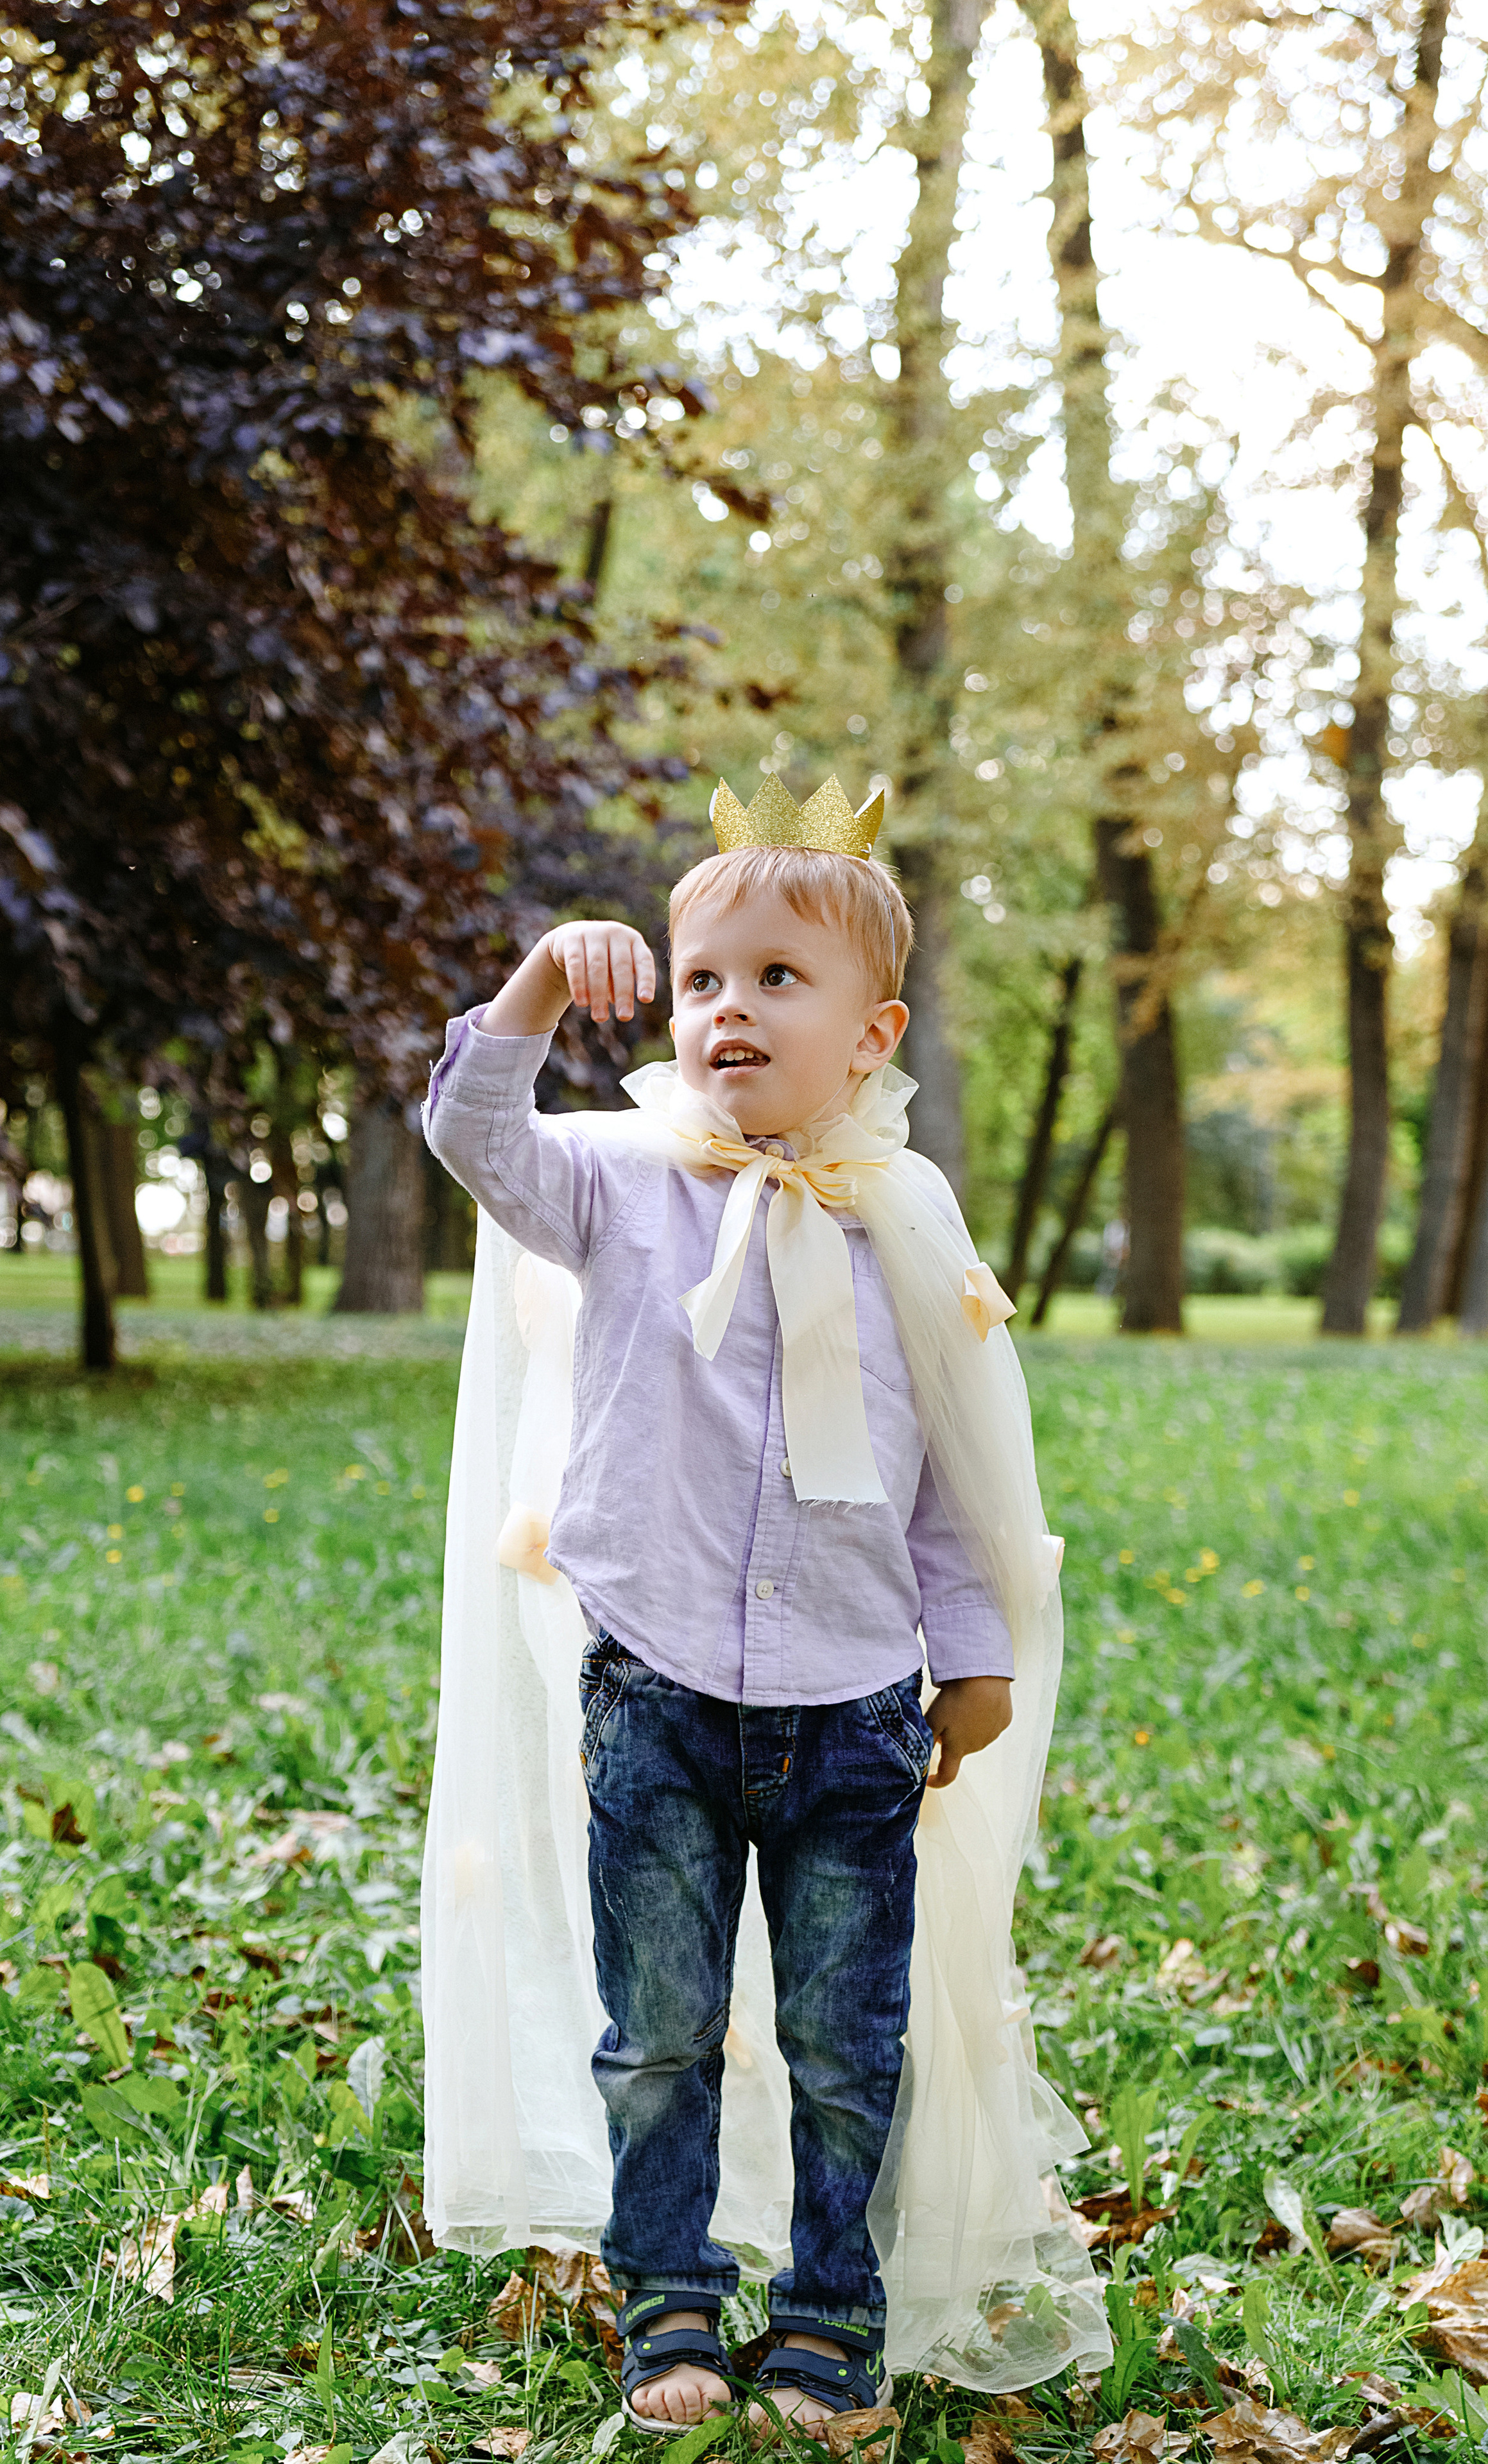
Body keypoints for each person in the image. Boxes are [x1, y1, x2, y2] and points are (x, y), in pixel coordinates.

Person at [420, 773, 1104, 2436]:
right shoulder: (615, 1181)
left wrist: (976, 1652)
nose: (730, 1007)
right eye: (704, 977)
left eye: (778, 978)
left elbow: (949, 1465)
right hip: (652, 1693)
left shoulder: (907, 1224)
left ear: (873, 1035)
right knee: (658, 2030)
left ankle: (826, 2317)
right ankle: (669, 2300)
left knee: (844, 2041)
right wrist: (536, 988)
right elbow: (473, 1136)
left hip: (856, 1705)